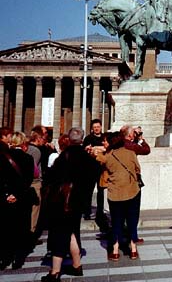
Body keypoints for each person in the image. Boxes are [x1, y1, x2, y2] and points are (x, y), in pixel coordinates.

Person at [42, 127, 91, 281]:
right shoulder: (87, 157)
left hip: (63, 202)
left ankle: (55, 272)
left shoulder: (65, 156)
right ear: (82, 139)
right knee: (71, 232)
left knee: (59, 235)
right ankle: (77, 266)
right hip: (78, 202)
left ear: (69, 139)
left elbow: (53, 178)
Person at [95, 131, 142, 260]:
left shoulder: (109, 156)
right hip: (132, 191)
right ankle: (133, 249)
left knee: (116, 222)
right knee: (132, 220)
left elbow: (99, 158)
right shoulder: (131, 153)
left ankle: (115, 250)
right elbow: (138, 169)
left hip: (115, 193)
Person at [0, 131, 34, 271]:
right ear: (23, 143)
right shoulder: (28, 158)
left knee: (6, 228)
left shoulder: (3, 157)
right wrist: (17, 194)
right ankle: (18, 259)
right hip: (22, 199)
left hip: (5, 199)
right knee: (21, 228)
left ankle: (5, 257)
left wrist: (7, 194)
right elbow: (28, 180)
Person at [82, 119, 104, 220]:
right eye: (95, 127)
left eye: (98, 127)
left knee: (101, 191)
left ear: (101, 127)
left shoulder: (105, 138)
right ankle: (87, 212)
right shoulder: (88, 138)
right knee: (88, 191)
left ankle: (100, 212)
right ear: (92, 128)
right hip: (90, 169)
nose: (96, 129)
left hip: (101, 169)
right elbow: (85, 151)